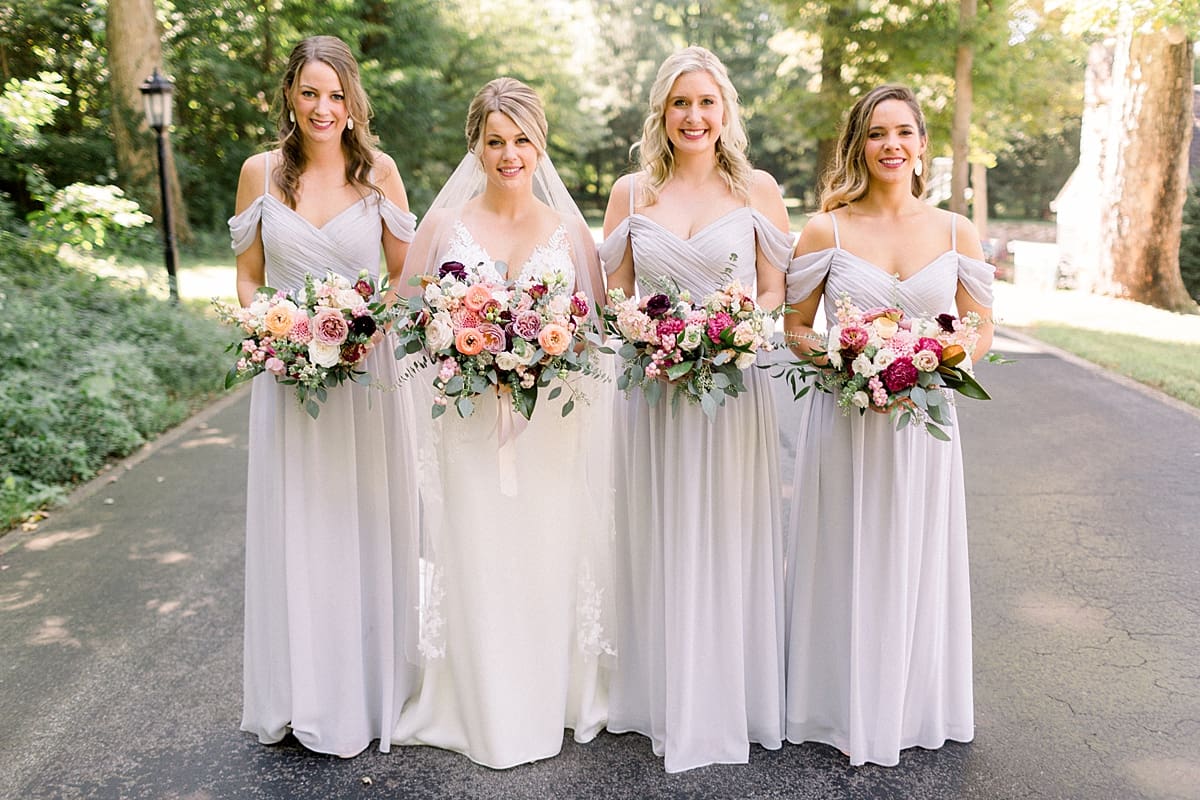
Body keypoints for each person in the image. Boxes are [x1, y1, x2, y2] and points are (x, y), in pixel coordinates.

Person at [390, 77, 616, 769]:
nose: (509, 153)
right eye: (495, 140)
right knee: (480, 553)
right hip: (466, 427)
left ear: (540, 144)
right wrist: (464, 346)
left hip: (550, 429)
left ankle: (549, 697)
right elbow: (407, 319)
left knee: (546, 554)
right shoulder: (442, 227)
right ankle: (481, 706)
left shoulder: (571, 231)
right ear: (477, 146)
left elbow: (598, 330)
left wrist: (544, 357)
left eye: (521, 139)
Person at [782, 84, 994, 767]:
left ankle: (910, 702)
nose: (891, 145)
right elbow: (794, 328)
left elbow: (981, 324)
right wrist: (848, 356)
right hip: (847, 420)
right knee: (846, 549)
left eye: (904, 132)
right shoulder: (827, 230)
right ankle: (837, 704)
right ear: (859, 145)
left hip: (923, 420)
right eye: (877, 133)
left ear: (924, 145)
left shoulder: (957, 230)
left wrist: (939, 359)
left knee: (915, 551)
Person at [598, 46, 792, 773]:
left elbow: (777, 291)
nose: (694, 116)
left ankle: (727, 697)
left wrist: (730, 328)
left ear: (725, 111)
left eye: (706, 102)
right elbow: (611, 295)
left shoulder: (757, 191)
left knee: (727, 530)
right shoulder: (631, 194)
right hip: (654, 391)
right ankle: (662, 693)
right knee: (661, 529)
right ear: (662, 112)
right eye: (681, 103)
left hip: (733, 390)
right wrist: (651, 333)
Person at [227, 35, 420, 758]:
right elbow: (248, 274)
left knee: (360, 522)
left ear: (353, 101)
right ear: (289, 95)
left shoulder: (381, 176)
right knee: (297, 525)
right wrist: (268, 328)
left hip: (365, 375)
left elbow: (407, 275)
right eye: (310, 92)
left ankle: (368, 688)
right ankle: (299, 693)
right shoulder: (260, 174)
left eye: (336, 94)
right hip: (287, 380)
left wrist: (366, 326)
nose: (323, 107)